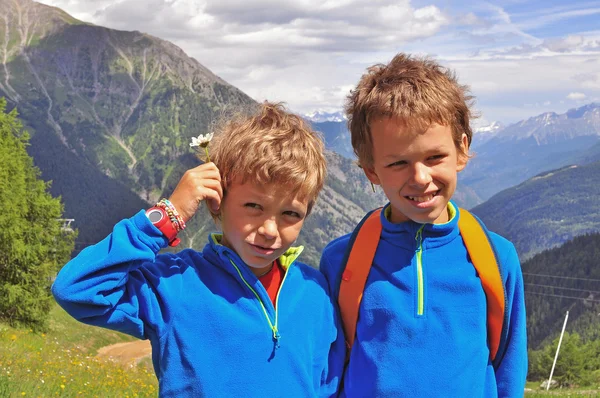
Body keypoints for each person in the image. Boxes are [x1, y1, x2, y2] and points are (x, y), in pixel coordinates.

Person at [52, 102, 344, 397]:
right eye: (253, 206)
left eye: (291, 214)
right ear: (216, 200)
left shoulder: (315, 291)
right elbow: (77, 289)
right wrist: (168, 214)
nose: (270, 230)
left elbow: (327, 385)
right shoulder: (174, 285)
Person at [319, 53, 527, 397]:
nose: (420, 178)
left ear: (461, 151)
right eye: (398, 162)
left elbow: (509, 366)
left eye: (434, 157)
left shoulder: (495, 258)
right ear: (371, 170)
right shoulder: (342, 261)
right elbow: (329, 367)